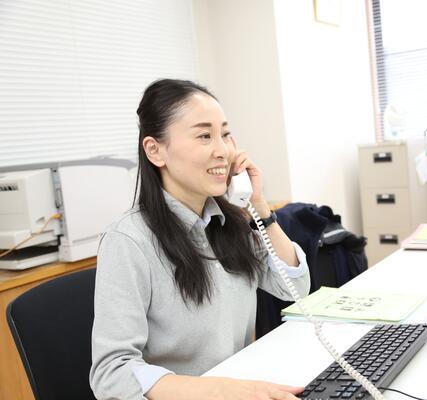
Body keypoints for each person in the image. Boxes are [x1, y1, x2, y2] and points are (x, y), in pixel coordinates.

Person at [89, 79, 311, 400]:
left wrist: (259, 207)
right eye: (205, 136)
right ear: (155, 150)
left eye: (224, 134)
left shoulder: (229, 221)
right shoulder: (128, 240)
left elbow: (294, 286)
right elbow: (112, 372)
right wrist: (217, 389)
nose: (223, 150)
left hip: (240, 387)